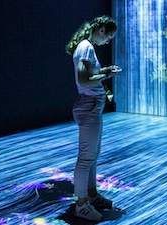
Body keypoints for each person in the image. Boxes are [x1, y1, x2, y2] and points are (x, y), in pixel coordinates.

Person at [65, 15, 121, 221]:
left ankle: (91, 195)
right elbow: (83, 80)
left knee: (93, 155)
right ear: (102, 31)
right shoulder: (86, 47)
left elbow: (88, 75)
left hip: (92, 107)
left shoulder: (87, 47)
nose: (108, 41)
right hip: (88, 107)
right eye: (109, 37)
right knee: (86, 157)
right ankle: (81, 204)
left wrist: (105, 70)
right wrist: (106, 75)